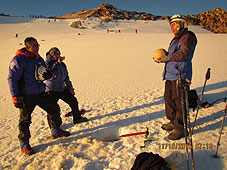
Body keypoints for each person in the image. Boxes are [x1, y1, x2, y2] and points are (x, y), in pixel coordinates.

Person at [8, 37, 70, 155]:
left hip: (41, 92)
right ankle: (24, 143)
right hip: (26, 95)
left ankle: (55, 130)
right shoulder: (18, 60)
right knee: (25, 120)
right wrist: (15, 96)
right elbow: (12, 79)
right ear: (27, 47)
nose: (37, 47)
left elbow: (43, 71)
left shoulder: (39, 59)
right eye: (34, 46)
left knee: (54, 108)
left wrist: (48, 74)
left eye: (37, 45)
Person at [156, 15, 197, 140]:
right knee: (169, 99)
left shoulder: (187, 37)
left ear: (181, 24)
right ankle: (173, 121)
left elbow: (184, 53)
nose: (172, 28)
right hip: (170, 74)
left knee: (179, 100)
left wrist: (167, 57)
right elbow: (174, 55)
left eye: (174, 25)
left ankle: (181, 128)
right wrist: (163, 56)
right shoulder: (176, 39)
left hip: (180, 75)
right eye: (171, 25)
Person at [45, 47, 88, 124]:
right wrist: (57, 63)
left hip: (62, 88)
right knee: (52, 108)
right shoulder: (47, 63)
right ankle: (54, 127)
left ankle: (77, 118)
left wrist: (70, 87)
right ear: (52, 55)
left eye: (59, 54)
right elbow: (50, 73)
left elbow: (66, 77)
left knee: (73, 101)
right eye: (56, 54)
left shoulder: (62, 65)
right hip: (52, 89)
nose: (58, 55)